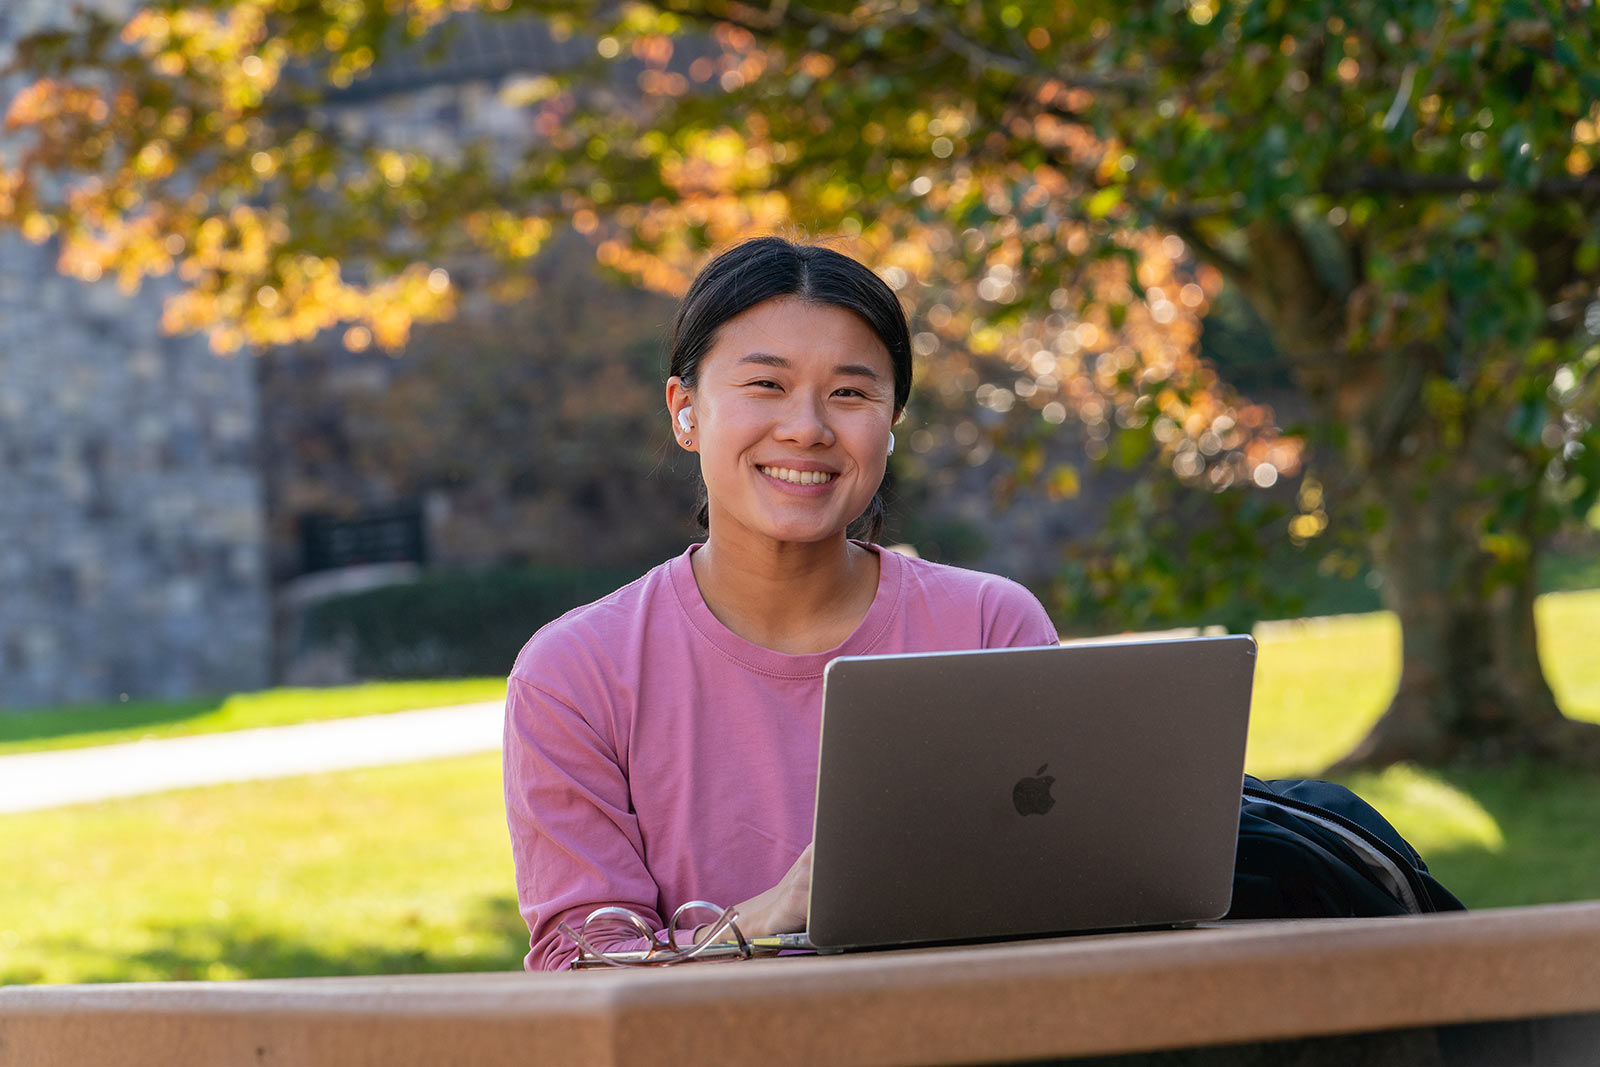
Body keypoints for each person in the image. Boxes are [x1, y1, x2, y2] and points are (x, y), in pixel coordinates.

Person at [503, 236, 1059, 971]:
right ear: (685, 410)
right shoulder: (575, 673)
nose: (808, 427)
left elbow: (1061, 906)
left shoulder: (991, 628)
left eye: (851, 393)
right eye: (765, 384)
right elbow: (585, 970)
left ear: (891, 423)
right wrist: (765, 918)